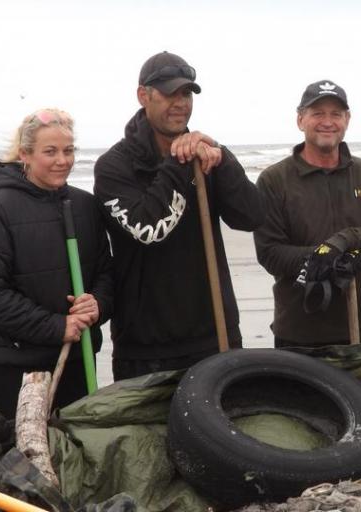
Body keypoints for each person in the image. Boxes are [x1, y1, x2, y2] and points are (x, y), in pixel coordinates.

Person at [94, 51, 264, 380]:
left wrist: (223, 159)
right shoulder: (114, 166)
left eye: (186, 94)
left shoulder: (207, 155)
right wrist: (178, 163)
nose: (180, 103)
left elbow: (253, 216)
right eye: (170, 93)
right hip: (146, 346)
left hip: (216, 334)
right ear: (144, 95)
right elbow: (149, 230)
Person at [254, 80, 361, 347]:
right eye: (317, 113)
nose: (328, 121)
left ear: (347, 119)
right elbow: (270, 253)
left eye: (336, 114)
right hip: (302, 332)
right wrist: (322, 258)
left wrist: (343, 242)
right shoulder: (273, 180)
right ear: (300, 119)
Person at [0, 109, 113, 418]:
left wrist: (97, 304)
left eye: (68, 150)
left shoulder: (85, 205)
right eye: (50, 152)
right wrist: (56, 326)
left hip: (78, 359)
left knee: (77, 458)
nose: (63, 160)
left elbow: (106, 272)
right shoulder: (0, 207)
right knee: (23, 461)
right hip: (16, 368)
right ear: (25, 154)